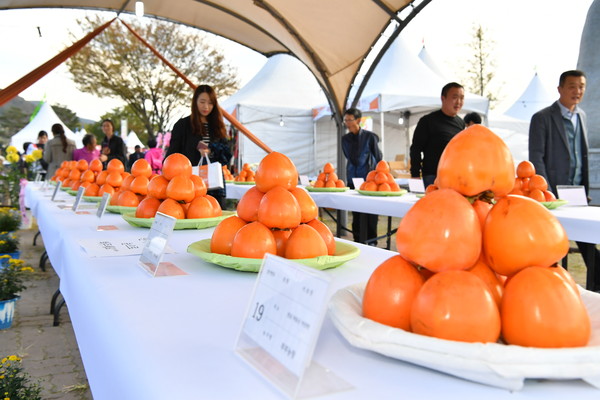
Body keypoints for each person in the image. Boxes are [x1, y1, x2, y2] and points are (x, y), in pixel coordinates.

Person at [529, 69, 600, 291]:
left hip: (578, 194)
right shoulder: (542, 118)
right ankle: (551, 285)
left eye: (581, 87)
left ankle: (594, 283)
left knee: (587, 240)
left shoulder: (582, 116)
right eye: (572, 86)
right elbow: (536, 158)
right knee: (553, 242)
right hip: (553, 195)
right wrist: (547, 192)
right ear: (560, 89)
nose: (577, 91)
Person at [166, 84, 232, 209]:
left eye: (210, 103)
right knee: (191, 212)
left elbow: (227, 155)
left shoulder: (217, 126)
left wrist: (211, 150)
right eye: (202, 102)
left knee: (214, 214)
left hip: (214, 184)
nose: (206, 106)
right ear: (195, 101)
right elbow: (172, 154)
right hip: (188, 184)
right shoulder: (182, 125)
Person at [410, 82, 466, 188]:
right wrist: (415, 175)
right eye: (454, 97)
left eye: (462, 98)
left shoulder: (461, 123)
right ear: (443, 98)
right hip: (432, 177)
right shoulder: (428, 121)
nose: (459, 102)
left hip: (454, 178)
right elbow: (416, 149)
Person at [341, 107, 383, 246]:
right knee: (356, 210)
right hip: (353, 177)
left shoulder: (369, 137)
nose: (347, 122)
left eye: (350, 119)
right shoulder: (345, 139)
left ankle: (372, 240)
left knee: (371, 210)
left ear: (358, 120)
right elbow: (350, 157)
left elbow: (378, 157)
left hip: (368, 179)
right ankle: (358, 239)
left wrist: (376, 177)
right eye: (345, 120)